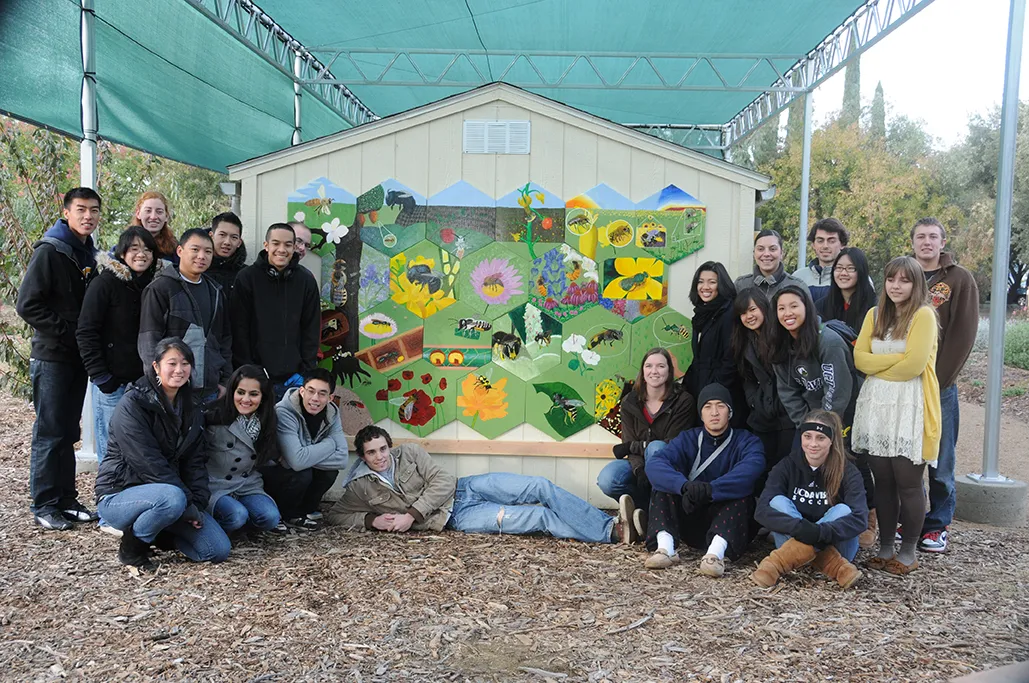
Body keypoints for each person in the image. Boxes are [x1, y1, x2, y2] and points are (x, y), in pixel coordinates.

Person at [327, 425, 634, 544]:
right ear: (363, 457)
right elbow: (336, 515)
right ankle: (614, 532)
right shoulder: (360, 486)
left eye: (382, 449)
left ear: (389, 446)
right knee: (538, 517)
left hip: (466, 488)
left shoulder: (409, 453)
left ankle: (607, 525)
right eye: (371, 453)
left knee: (540, 486)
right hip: (453, 519)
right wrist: (371, 520)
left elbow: (443, 480)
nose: (379, 456)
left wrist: (411, 515)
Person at [95, 338, 231, 569]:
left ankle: (157, 530)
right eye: (172, 363)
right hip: (121, 495)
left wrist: (196, 504)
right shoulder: (133, 404)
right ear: (156, 366)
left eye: (185, 363)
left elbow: (195, 462)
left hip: (172, 497)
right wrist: (185, 505)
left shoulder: (192, 406)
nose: (179, 370)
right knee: (171, 498)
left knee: (217, 549)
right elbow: (149, 463)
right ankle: (133, 548)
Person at [16, 187, 101, 530]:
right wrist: (68, 333)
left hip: (75, 358)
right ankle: (45, 503)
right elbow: (27, 304)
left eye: (94, 210)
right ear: (66, 212)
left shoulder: (87, 253)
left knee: (68, 430)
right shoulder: (51, 251)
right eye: (81, 209)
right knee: (50, 431)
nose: (88, 216)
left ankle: (66, 499)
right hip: (52, 356)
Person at [853, 256, 940, 575]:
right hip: (877, 408)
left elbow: (914, 365)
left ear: (916, 285)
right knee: (884, 482)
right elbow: (860, 359)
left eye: (904, 280)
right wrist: (894, 363)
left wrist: (882, 367)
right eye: (891, 280)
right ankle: (885, 547)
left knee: (908, 482)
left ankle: (908, 551)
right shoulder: (874, 315)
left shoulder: (924, 316)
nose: (896, 286)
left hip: (910, 407)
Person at [770, 284, 876, 542]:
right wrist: (806, 426)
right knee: (805, 459)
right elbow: (788, 392)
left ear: (807, 306)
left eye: (794, 306)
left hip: (844, 412)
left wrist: (825, 427)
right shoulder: (780, 344)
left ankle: (868, 519)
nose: (787, 313)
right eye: (781, 308)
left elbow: (837, 388)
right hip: (810, 416)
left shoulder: (826, 340)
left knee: (852, 461)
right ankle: (814, 517)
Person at [643, 384, 765, 575]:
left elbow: (750, 470)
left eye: (721, 406)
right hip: (690, 516)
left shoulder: (747, 441)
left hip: (727, 525)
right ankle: (665, 548)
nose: (714, 412)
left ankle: (714, 555)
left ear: (730, 412)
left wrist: (710, 490)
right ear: (701, 414)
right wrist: (683, 487)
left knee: (742, 495)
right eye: (707, 407)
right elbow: (656, 464)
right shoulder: (688, 439)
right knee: (662, 486)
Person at [911, 217, 978, 553]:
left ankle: (937, 525)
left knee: (941, 459)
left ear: (942, 242)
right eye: (921, 237)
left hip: (939, 385)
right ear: (912, 243)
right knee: (908, 456)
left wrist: (940, 378)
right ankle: (910, 519)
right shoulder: (904, 276)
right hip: (905, 382)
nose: (927, 242)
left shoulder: (958, 279)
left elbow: (963, 335)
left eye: (932, 237)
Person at [751, 411, 867, 589]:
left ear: (831, 440)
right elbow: (762, 511)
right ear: (801, 438)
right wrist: (799, 528)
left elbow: (860, 519)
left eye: (821, 438)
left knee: (843, 510)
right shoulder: (787, 465)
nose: (813, 444)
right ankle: (835, 566)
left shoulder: (848, 471)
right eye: (808, 436)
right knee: (778, 502)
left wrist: (819, 532)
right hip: (796, 537)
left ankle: (776, 564)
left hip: (838, 548)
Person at [78, 227, 158, 463]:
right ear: (122, 253)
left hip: (146, 383)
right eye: (134, 249)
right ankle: (109, 496)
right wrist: (101, 376)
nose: (141, 254)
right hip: (112, 383)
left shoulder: (155, 285)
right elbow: (86, 331)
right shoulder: (105, 283)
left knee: (143, 446)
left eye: (146, 249)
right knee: (113, 448)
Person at [597, 348, 696, 528]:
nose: (654, 371)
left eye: (660, 366)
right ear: (642, 371)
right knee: (607, 479)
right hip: (638, 461)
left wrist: (635, 448)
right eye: (649, 366)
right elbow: (627, 442)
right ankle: (642, 509)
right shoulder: (630, 401)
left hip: (669, 463)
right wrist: (639, 470)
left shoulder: (683, 400)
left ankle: (659, 516)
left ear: (669, 371)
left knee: (656, 448)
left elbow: (672, 444)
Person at [138, 228, 232, 404]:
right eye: (195, 249)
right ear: (180, 251)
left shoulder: (216, 291)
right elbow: (149, 341)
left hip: (210, 391)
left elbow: (224, 340)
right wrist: (159, 387)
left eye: (208, 251)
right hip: (173, 390)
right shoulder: (161, 288)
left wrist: (225, 380)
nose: (202, 256)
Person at [231, 223, 321, 400]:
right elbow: (239, 329)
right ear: (266, 245)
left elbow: (311, 329)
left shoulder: (306, 281)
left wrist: (306, 371)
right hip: (256, 379)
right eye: (276, 243)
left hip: (294, 380)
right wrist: (249, 372)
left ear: (294, 247)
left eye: (288, 245)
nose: (282, 249)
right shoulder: (246, 278)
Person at [204, 365, 281, 534]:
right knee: (236, 515)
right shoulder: (212, 415)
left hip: (247, 484)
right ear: (232, 391)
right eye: (240, 392)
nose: (246, 399)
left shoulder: (267, 420)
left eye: (253, 394)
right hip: (216, 485)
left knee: (270, 517)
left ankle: (242, 529)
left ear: (263, 397)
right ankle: (218, 529)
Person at [268, 368, 348, 529]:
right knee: (302, 473)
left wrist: (304, 455)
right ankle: (285, 514)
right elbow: (297, 462)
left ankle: (302, 512)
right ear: (302, 391)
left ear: (330, 398)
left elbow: (342, 458)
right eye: (311, 391)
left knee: (329, 472)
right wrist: (331, 444)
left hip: (294, 465)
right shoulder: (284, 411)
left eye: (322, 393)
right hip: (274, 475)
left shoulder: (332, 413)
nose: (315, 399)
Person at [731, 288, 795, 480]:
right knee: (762, 466)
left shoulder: (781, 334)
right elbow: (746, 377)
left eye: (752, 309)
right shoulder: (743, 340)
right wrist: (753, 400)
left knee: (786, 466)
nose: (748, 316)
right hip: (762, 413)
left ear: (764, 307)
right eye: (743, 313)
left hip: (788, 411)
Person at [683, 262, 743, 426]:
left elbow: (730, 359)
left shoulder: (729, 312)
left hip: (720, 395)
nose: (705, 287)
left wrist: (714, 393)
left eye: (712, 282)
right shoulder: (702, 314)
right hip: (701, 389)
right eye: (701, 281)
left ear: (721, 285)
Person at [816, 246, 876, 333]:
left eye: (850, 268)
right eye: (839, 268)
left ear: (861, 271)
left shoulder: (874, 307)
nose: (843, 273)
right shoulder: (821, 306)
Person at [733, 229, 806, 299]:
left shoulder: (796, 286)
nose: (766, 254)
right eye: (760, 249)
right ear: (754, 253)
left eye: (772, 249)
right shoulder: (741, 285)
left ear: (781, 253)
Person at [793, 218, 848, 303]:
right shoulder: (798, 278)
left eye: (831, 241)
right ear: (813, 245)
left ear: (842, 244)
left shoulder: (853, 277)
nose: (825, 246)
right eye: (820, 241)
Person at [130, 191, 178, 265]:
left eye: (159, 212)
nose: (153, 217)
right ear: (138, 213)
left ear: (166, 216)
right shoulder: (126, 244)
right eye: (148, 211)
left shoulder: (174, 249)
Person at [207, 211, 247, 297]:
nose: (227, 242)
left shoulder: (245, 275)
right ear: (211, 236)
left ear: (239, 242)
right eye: (222, 235)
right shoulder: (198, 268)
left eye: (234, 237)